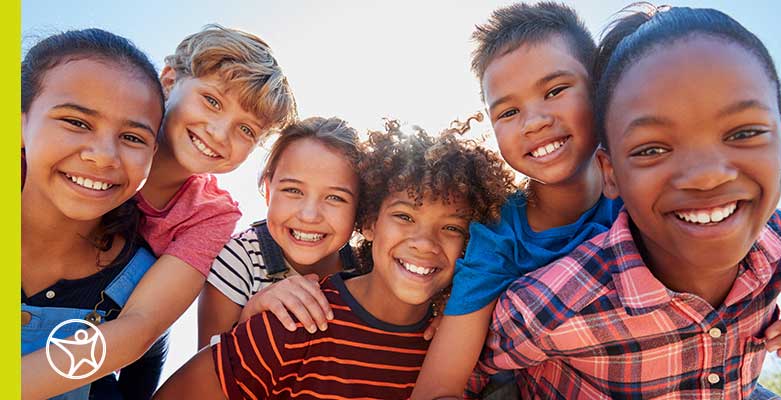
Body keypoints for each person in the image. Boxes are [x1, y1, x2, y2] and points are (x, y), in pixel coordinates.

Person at [412, 3, 781, 398]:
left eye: (556, 90)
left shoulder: (658, 191)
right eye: (509, 111)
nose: (534, 121)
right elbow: (446, 381)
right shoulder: (500, 242)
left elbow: (780, 229)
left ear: (603, 98)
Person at [22, 25, 298, 398]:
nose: (219, 133)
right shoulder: (66, 153)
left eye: (246, 130)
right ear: (170, 79)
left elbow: (140, 328)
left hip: (125, 327)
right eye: (212, 101)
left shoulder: (210, 213)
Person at [154, 119, 516, 399]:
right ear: (370, 221)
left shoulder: (458, 348)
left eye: (452, 229)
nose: (424, 243)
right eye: (405, 217)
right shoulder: (295, 321)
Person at [21, 29, 165, 399]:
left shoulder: (143, 278)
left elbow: (146, 361)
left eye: (132, 137)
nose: (104, 156)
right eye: (77, 122)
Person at [198, 116, 362, 348]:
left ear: (361, 208)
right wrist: (253, 313)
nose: (309, 215)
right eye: (293, 190)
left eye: (335, 197)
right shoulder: (240, 259)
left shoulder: (367, 268)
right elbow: (204, 368)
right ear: (268, 191)